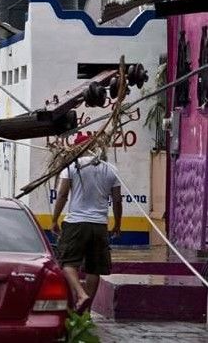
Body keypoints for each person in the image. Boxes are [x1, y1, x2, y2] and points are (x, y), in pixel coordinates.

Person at [50, 134, 122, 314]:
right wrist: (117, 224)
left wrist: (54, 219)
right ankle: (86, 312)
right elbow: (117, 200)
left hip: (75, 223)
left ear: (77, 149)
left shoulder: (72, 167)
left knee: (67, 263)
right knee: (94, 268)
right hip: (99, 225)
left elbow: (62, 195)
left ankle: (81, 294)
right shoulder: (110, 169)